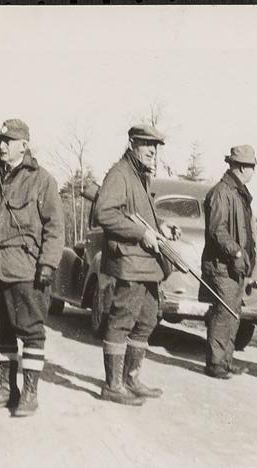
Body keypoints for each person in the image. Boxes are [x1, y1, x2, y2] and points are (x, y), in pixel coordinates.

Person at [0, 118, 64, 417]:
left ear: (25, 145)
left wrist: (48, 264)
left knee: (31, 332)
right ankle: (7, 390)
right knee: (3, 332)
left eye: (8, 141)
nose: (2, 145)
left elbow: (55, 227)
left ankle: (30, 395)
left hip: (25, 270)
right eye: (0, 140)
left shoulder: (42, 180)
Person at [92, 124, 180, 405]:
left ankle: (130, 378)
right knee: (122, 319)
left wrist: (161, 227)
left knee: (147, 317)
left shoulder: (140, 176)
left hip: (146, 264)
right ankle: (113, 385)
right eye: (147, 145)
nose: (153, 152)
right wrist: (142, 233)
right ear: (132, 144)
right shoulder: (120, 174)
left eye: (156, 147)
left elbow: (138, 214)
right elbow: (105, 214)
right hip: (129, 262)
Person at [200, 145, 257, 379]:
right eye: (252, 166)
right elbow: (217, 229)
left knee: (232, 313)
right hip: (222, 266)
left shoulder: (237, 193)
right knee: (223, 313)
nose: (253, 171)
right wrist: (236, 252)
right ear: (243, 168)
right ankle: (215, 364)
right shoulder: (222, 193)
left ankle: (224, 362)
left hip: (235, 267)